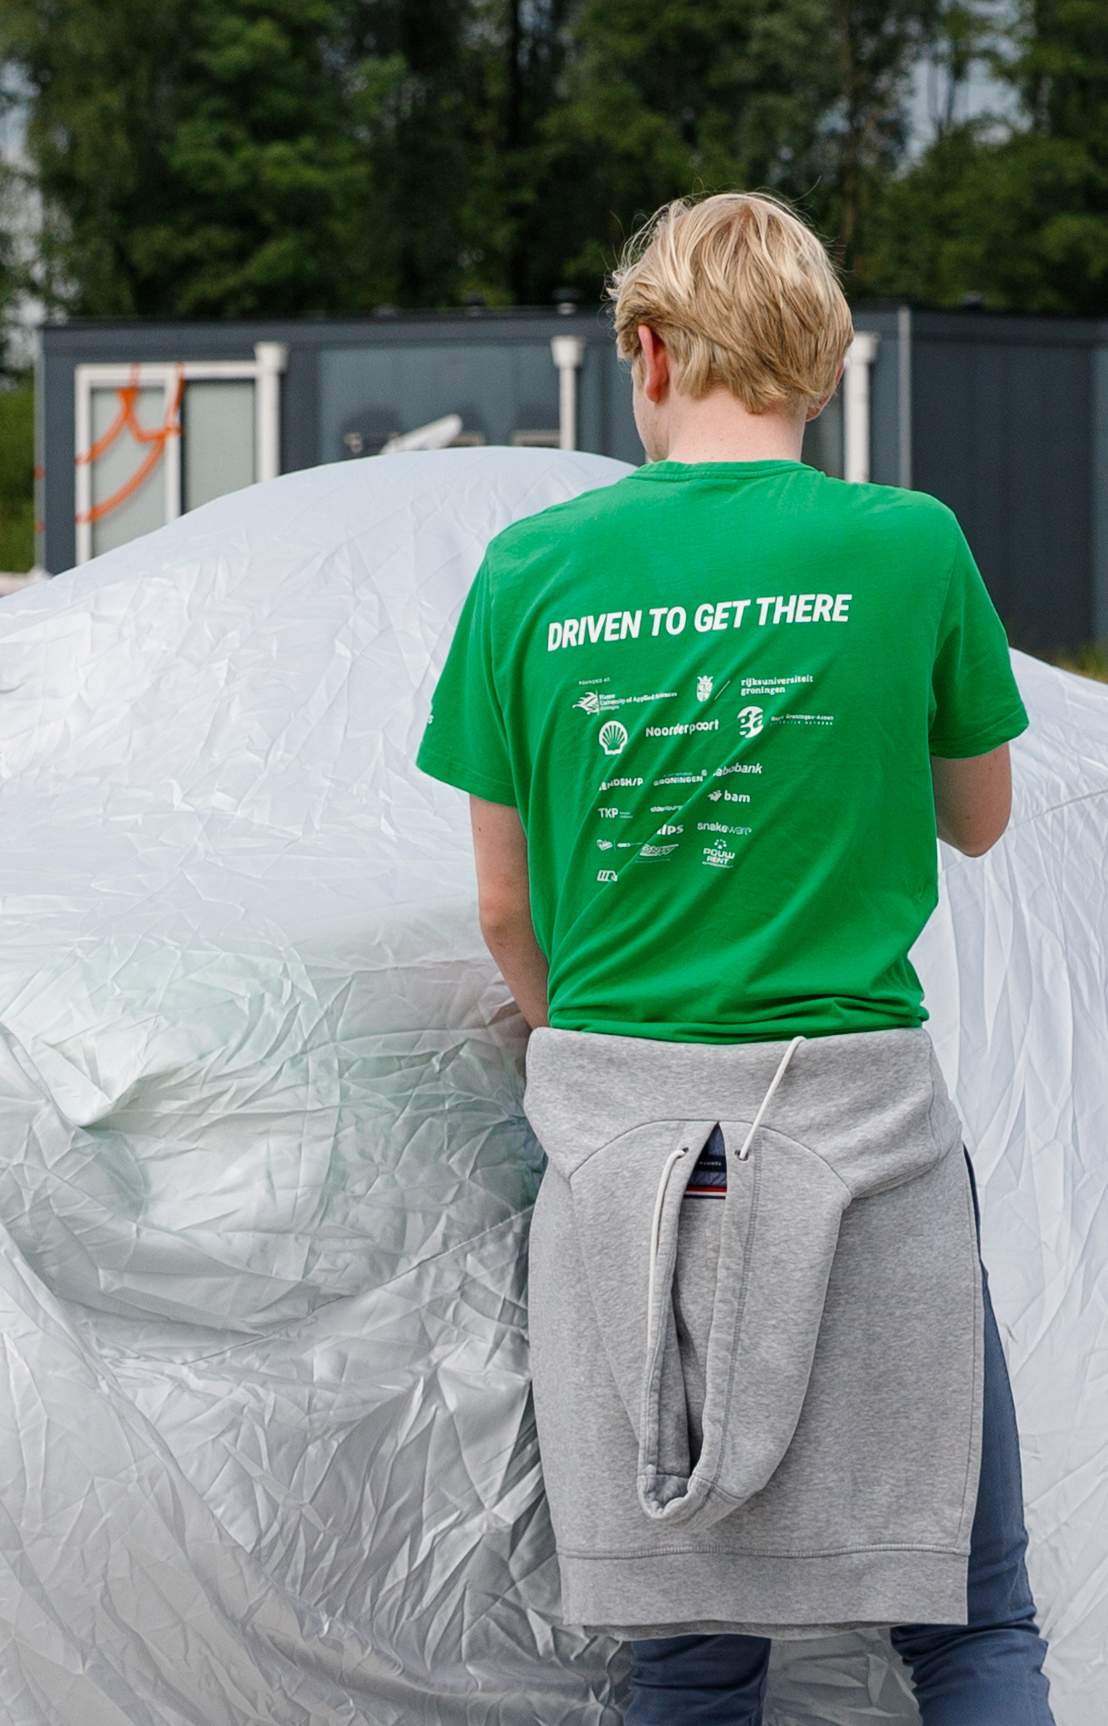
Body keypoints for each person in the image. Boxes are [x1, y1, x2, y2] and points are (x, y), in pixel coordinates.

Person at [416, 192, 1053, 1723]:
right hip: (865, 1147)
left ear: (642, 349)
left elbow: (505, 906)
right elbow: (977, 819)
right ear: (817, 365)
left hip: (621, 1162)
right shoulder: (904, 543)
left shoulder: (527, 569)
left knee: (686, 1647)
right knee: (965, 1624)